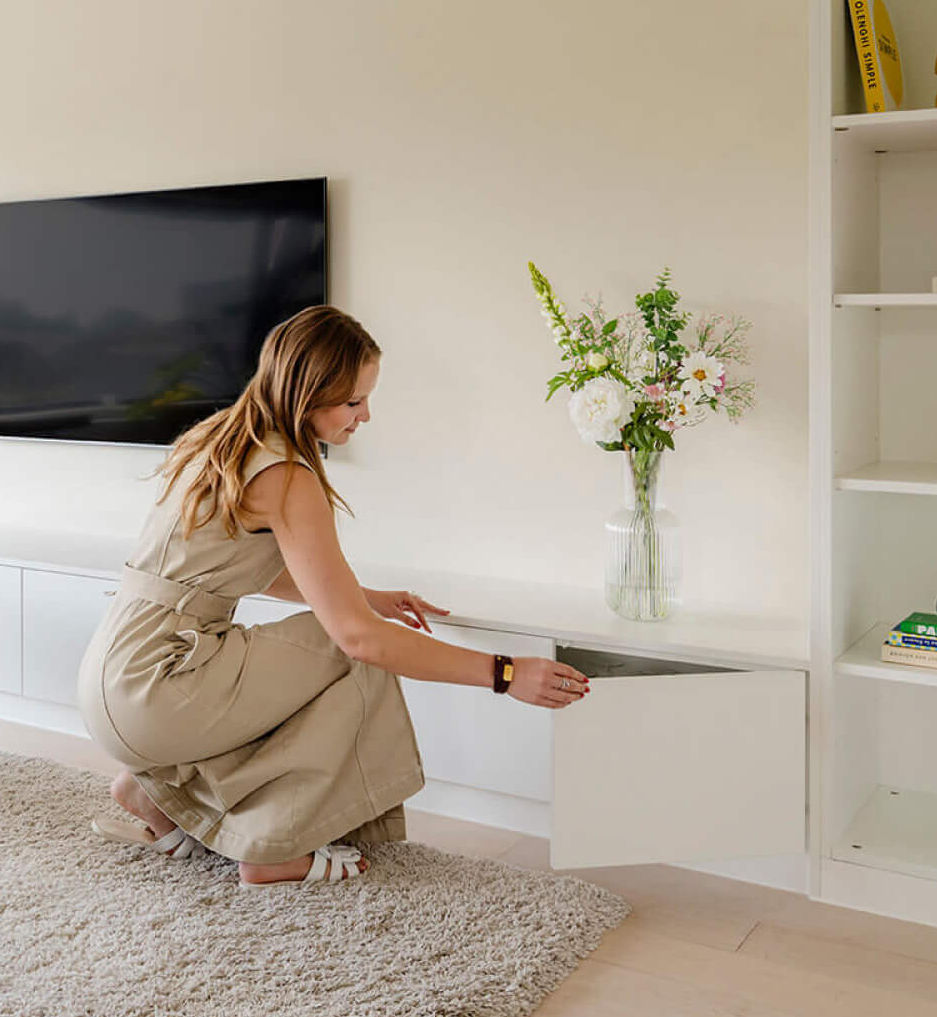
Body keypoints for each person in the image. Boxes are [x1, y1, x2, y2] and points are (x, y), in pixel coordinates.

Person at [77, 303, 590, 886]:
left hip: (113, 678)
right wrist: (505, 673)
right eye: (352, 401)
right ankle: (272, 849)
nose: (365, 416)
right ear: (307, 393)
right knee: (355, 653)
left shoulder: (217, 440)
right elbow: (358, 639)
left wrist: (361, 595)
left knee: (317, 642)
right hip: (161, 691)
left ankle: (152, 794)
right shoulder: (286, 476)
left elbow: (232, 567)